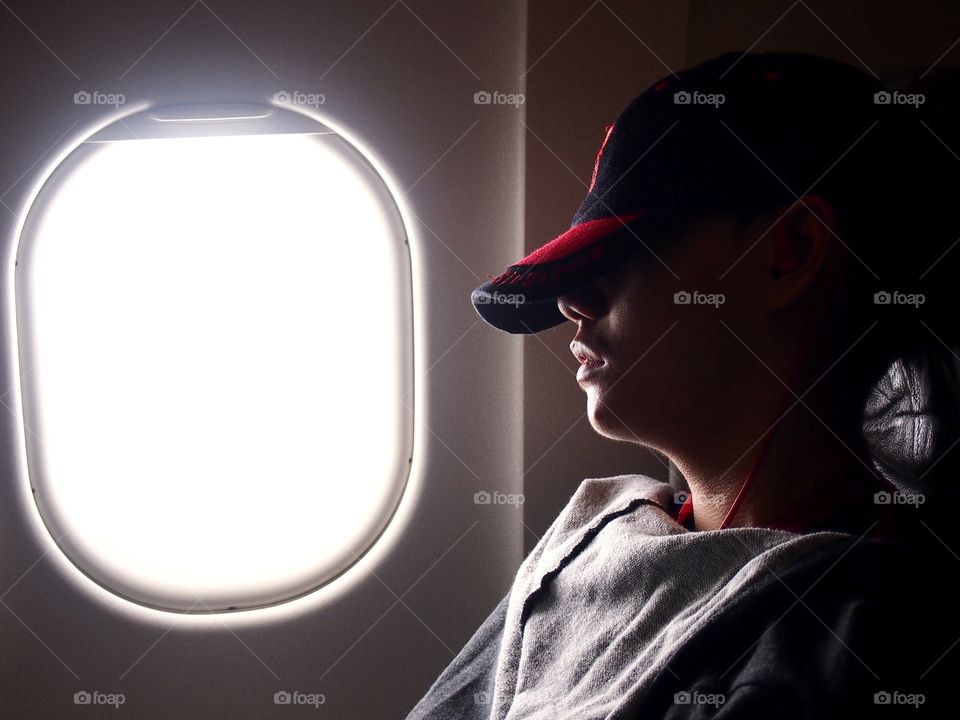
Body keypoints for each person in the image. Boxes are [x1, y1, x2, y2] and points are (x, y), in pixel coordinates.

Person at [406, 51, 960, 719]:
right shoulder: (594, 533)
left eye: (629, 250)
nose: (570, 303)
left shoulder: (849, 627)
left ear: (791, 252)